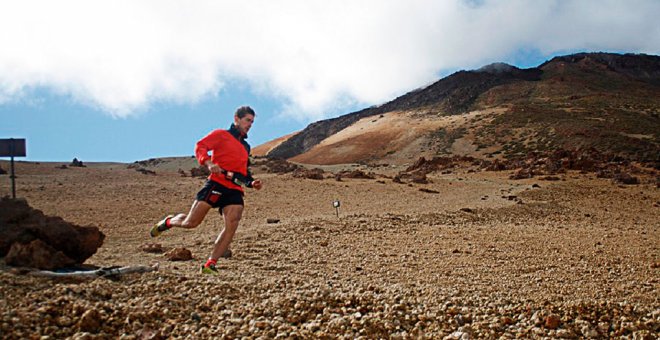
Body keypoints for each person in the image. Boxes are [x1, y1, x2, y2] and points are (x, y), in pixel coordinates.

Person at [149, 106, 263, 275]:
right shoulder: (221, 135)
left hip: (234, 189)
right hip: (216, 184)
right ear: (236, 119)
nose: (250, 125)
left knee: (233, 223)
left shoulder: (246, 147)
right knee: (191, 223)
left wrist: (251, 182)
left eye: (252, 122)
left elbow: (243, 172)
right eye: (248, 120)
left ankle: (210, 264)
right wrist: (209, 163)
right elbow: (200, 146)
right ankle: (169, 221)